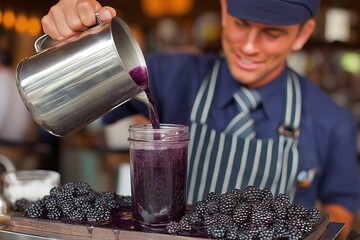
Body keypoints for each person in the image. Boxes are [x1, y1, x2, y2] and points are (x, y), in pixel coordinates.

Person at [41, 0, 360, 236]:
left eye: (272, 34)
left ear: (303, 34)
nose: (249, 46)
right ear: (223, 11)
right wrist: (72, 46)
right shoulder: (168, 76)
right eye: (240, 24)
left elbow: (340, 210)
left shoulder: (331, 120)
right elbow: (58, 101)